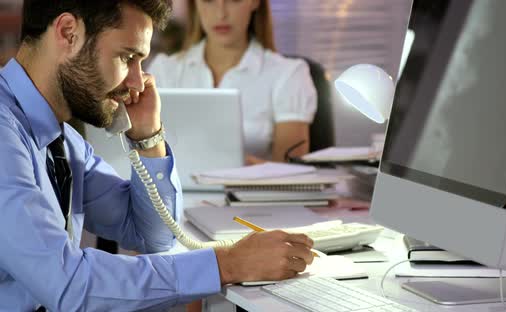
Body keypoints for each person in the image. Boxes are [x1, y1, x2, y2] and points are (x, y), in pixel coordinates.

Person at [0, 1, 314, 311]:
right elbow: (70, 285)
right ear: (69, 33)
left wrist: (149, 137)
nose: (138, 83)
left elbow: (152, 236)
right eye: (127, 57)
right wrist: (229, 264)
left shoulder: (62, 140)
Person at [148, 0, 318, 164]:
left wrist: (243, 169)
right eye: (208, 0)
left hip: (253, 193)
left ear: (255, 2)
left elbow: (292, 175)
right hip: (177, 192)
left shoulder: (289, 74)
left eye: (234, 0)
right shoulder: (164, 71)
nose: (221, 13)